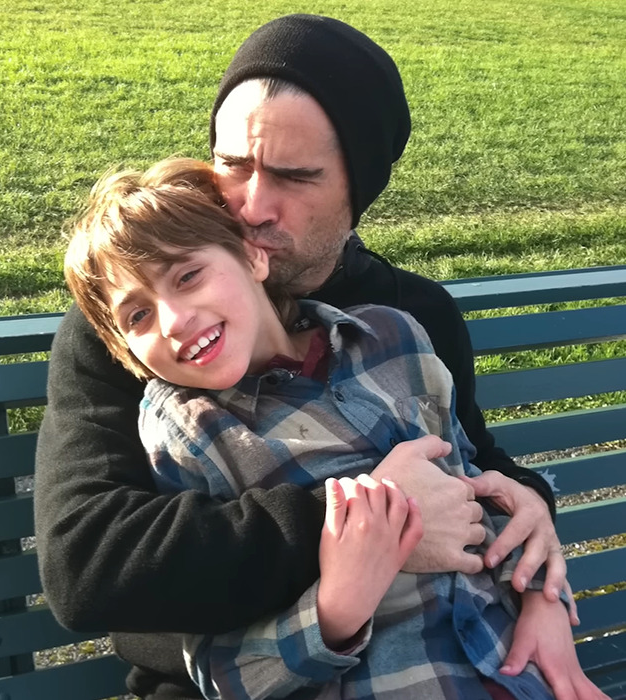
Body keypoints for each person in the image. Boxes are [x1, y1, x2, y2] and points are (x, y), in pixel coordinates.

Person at [34, 14, 571, 700]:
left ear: (358, 189)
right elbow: (87, 568)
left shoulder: (407, 316)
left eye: (294, 176)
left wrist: (536, 556)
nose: (253, 206)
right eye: (233, 165)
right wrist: (374, 521)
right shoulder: (142, 333)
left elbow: (469, 458)